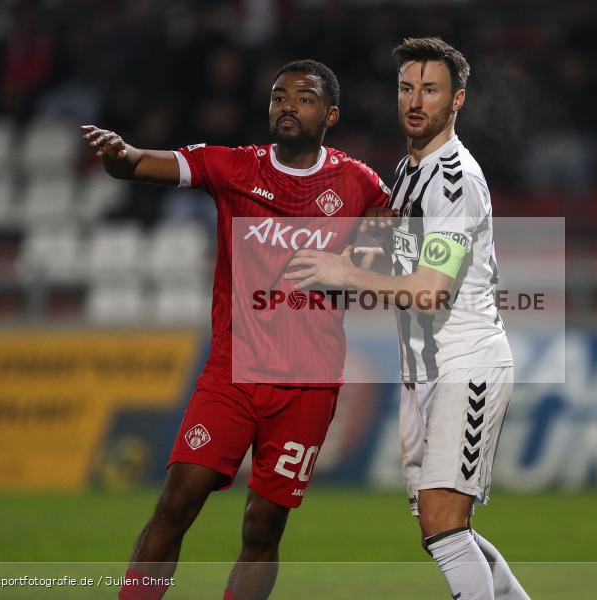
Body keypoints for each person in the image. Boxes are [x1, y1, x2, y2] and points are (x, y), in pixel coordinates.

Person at [81, 59, 389, 600]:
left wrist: (367, 263)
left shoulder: (359, 183)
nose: (287, 104)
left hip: (308, 385)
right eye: (277, 96)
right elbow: (137, 165)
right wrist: (117, 155)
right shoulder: (230, 167)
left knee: (262, 529)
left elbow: (394, 252)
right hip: (232, 374)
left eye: (304, 97)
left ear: (331, 113)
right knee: (176, 504)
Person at [286, 38, 530, 600]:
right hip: (424, 370)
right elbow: (397, 254)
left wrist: (345, 275)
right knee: (442, 529)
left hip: (466, 364)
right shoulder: (409, 170)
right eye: (406, 88)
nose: (415, 100)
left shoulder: (454, 181)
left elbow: (430, 290)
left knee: (443, 523)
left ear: (457, 100)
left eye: (430, 89)